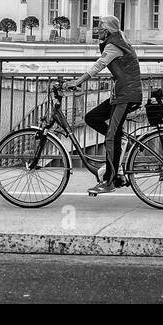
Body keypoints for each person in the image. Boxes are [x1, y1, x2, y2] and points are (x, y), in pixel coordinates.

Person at [63, 15, 143, 195]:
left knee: (110, 138)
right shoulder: (118, 41)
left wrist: (78, 81)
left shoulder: (114, 45)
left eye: (100, 27)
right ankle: (118, 140)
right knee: (92, 117)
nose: (97, 30)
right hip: (121, 94)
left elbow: (98, 66)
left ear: (108, 30)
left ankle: (109, 181)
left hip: (126, 96)